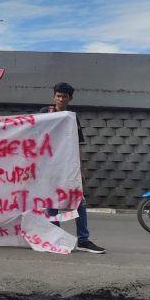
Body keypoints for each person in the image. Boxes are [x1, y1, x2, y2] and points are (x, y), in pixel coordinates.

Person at [41, 82, 105, 254]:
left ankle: (83, 240)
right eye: (58, 95)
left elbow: (76, 144)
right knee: (52, 203)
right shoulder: (44, 113)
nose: (61, 99)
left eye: (65, 96)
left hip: (68, 167)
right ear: (54, 96)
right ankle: (55, 237)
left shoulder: (71, 117)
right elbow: (31, 133)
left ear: (70, 99)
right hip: (49, 166)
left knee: (79, 202)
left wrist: (81, 169)